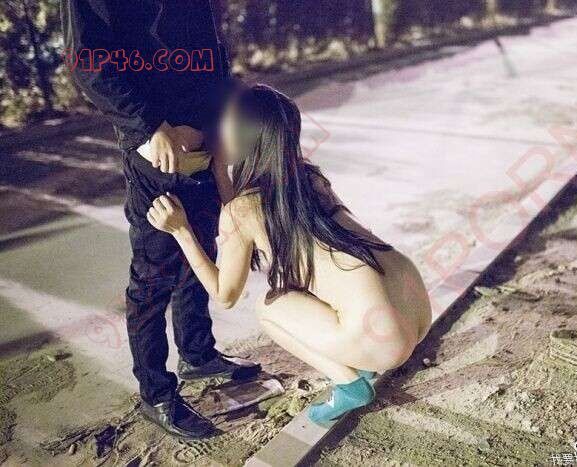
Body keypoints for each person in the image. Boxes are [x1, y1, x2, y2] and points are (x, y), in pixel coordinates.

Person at [146, 85, 432, 426]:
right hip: (416, 313)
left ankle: (349, 384)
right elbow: (249, 215)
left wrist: (181, 231)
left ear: (246, 137)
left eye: (226, 123)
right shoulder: (310, 178)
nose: (218, 129)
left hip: (385, 339)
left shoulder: (243, 211)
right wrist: (222, 171)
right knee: (322, 279)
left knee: (268, 309)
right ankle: (365, 359)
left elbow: (224, 296)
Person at [61, 0, 261, 439]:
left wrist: (216, 117)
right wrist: (148, 126)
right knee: (153, 279)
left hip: (206, 135)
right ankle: (156, 394)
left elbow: (205, 44)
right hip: (157, 149)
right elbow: (88, 59)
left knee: (200, 250)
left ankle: (198, 355)